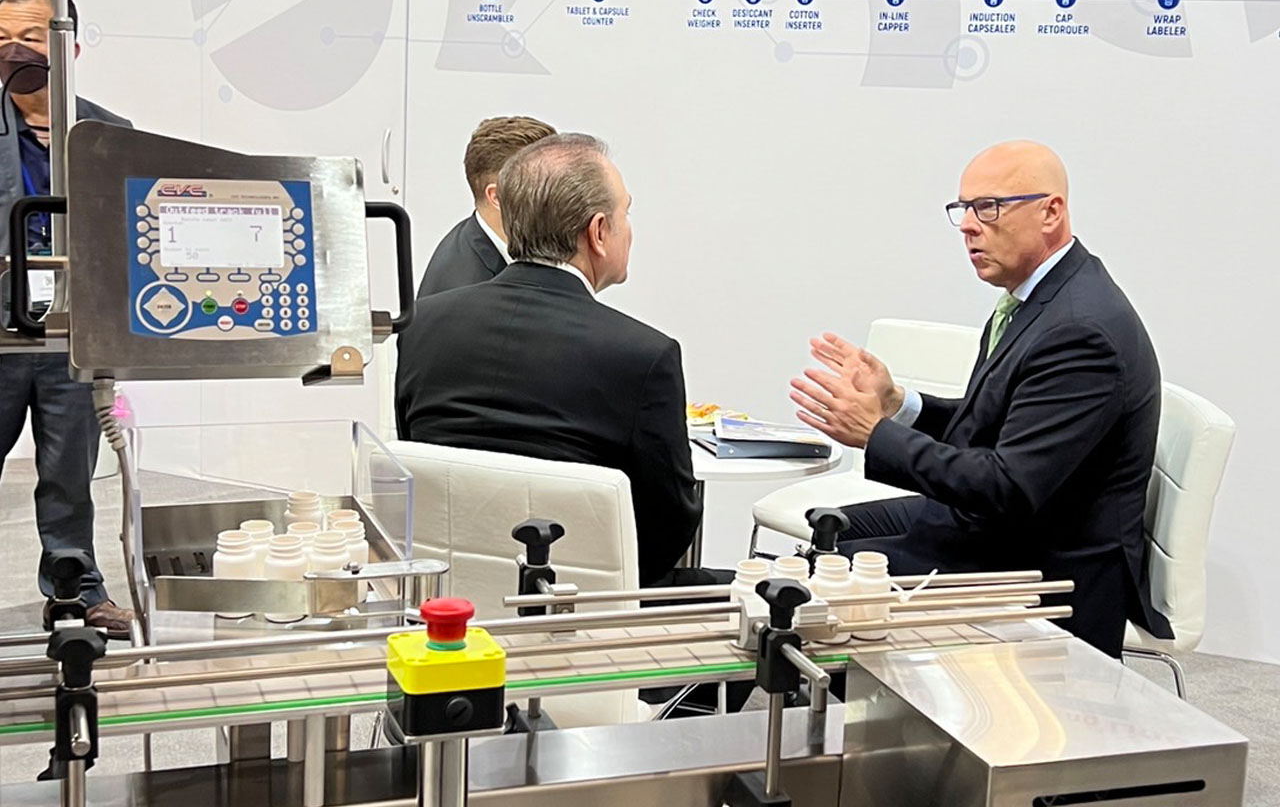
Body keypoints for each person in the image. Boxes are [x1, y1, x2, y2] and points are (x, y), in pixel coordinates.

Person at [789, 140, 1172, 657]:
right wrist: (897, 403)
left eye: (989, 207)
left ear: (1051, 212)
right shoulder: (1040, 297)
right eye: (964, 208)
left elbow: (1007, 486)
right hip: (1005, 528)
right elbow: (993, 425)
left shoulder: (1081, 331)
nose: (968, 225)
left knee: (818, 583)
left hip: (1047, 566)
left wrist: (875, 433)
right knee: (829, 539)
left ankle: (847, 696)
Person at [396, 133, 713, 588]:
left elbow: (417, 462)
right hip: (586, 605)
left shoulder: (421, 324)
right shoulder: (643, 356)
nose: (629, 229)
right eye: (626, 213)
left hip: (446, 596)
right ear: (598, 232)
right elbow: (669, 528)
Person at [0, 0, 134, 636]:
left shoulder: (106, 135)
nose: (13, 50)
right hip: (1, 331)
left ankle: (76, 590)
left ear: (67, 47)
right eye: (1, 39)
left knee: (68, 476)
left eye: (29, 38)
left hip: (71, 335)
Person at [416, 115, 556, 298]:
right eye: (546, 184)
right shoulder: (474, 291)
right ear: (497, 197)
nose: (561, 194)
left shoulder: (478, 238)